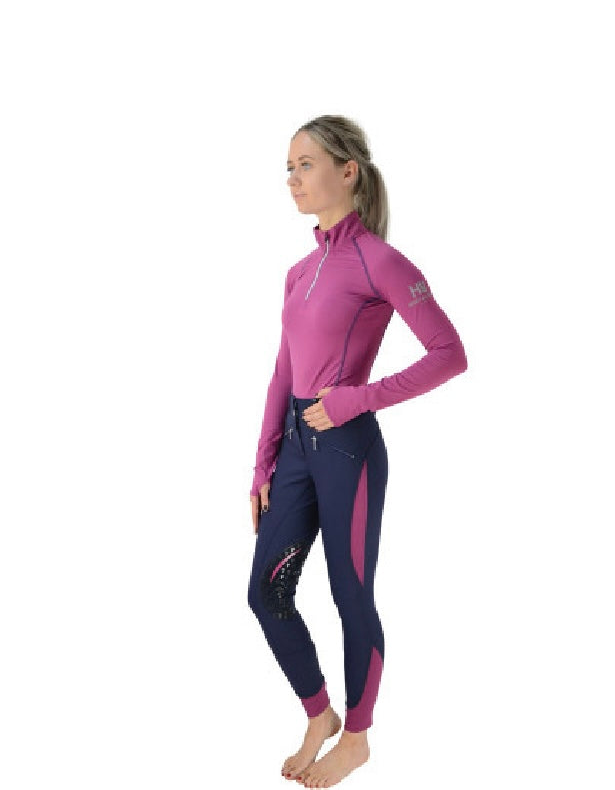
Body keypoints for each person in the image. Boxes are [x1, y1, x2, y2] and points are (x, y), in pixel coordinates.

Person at [246, 114, 468, 788]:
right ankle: (320, 712)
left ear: (348, 171)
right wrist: (262, 463)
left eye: (305, 164)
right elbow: (284, 370)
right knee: (266, 592)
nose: (292, 179)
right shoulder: (298, 271)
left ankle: (358, 737)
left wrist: (355, 399)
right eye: (288, 167)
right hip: (295, 450)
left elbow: (449, 354)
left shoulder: (380, 261)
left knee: (350, 594)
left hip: (347, 450)